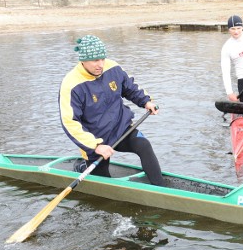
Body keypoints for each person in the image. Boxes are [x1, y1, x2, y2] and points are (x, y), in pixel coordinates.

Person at [59, 35, 165, 186]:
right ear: (82, 60)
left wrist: (146, 101)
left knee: (144, 145)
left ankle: (161, 189)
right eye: (95, 60)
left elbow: (130, 87)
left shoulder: (112, 67)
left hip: (120, 128)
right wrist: (96, 146)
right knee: (103, 180)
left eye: (102, 58)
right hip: (95, 139)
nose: (100, 64)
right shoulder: (71, 84)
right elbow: (70, 123)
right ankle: (82, 166)